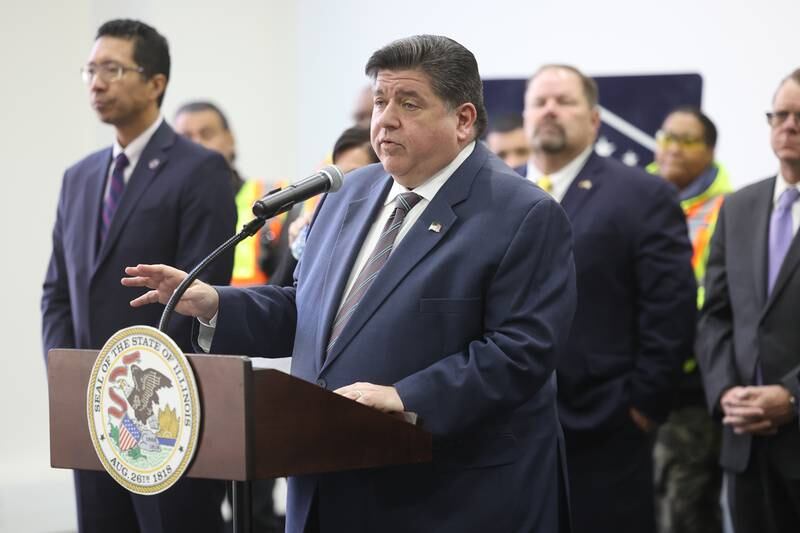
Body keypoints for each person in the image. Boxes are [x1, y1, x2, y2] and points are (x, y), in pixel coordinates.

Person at [123, 35, 576, 533]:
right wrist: (214, 304)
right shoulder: (346, 194)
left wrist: (407, 395)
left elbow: (521, 352)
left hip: (446, 496)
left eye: (409, 103)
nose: (386, 119)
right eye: (380, 101)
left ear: (463, 120)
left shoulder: (523, 213)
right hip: (325, 480)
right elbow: (308, 312)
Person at [40, 19, 235, 533]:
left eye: (113, 69)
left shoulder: (199, 171)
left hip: (165, 420)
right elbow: (57, 293)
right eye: (90, 70)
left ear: (155, 83)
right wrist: (71, 379)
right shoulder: (78, 177)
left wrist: (140, 393)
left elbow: (203, 295)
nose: (97, 82)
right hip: (94, 412)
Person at [518, 64, 697, 533]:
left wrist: (644, 407)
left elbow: (670, 307)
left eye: (565, 101)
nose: (550, 111)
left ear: (595, 120)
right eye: (539, 102)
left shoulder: (643, 195)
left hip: (604, 428)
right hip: (504, 427)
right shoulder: (494, 192)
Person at [696, 68, 800, 533]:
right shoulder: (739, 207)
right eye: (779, 114)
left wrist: (794, 395)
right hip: (744, 444)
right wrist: (724, 391)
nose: (788, 125)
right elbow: (715, 315)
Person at [647, 106, 732, 533]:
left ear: (710, 150)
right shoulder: (637, 196)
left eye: (687, 141)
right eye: (667, 137)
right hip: (634, 381)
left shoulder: (729, 210)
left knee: (685, 510)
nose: (673, 149)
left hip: (694, 387)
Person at [174, 101, 290, 287]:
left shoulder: (274, 198)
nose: (197, 144)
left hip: (253, 312)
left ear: (230, 139)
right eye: (186, 137)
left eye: (207, 134)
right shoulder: (163, 207)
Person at [280, 125, 380, 281]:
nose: (343, 186)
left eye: (354, 175)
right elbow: (283, 295)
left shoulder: (386, 232)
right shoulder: (323, 226)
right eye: (339, 177)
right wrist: (297, 253)